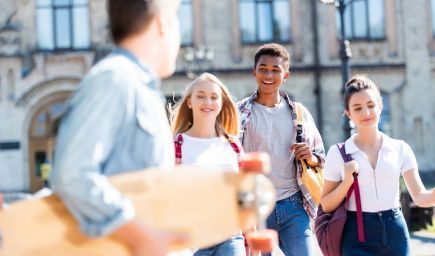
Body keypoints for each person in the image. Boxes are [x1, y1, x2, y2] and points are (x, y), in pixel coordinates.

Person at [50, 0, 183, 255]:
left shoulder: (136, 85)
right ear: (163, 23)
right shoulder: (114, 79)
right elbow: (72, 174)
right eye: (177, 17)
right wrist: (139, 235)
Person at [320, 75, 435, 255]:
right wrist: (346, 182)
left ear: (380, 106)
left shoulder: (400, 149)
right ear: (348, 113)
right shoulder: (338, 153)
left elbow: (420, 197)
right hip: (356, 235)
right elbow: (326, 205)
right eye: (357, 108)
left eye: (371, 105)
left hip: (395, 231)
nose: (366, 113)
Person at [238, 43, 325, 256]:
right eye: (263, 68)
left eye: (276, 70)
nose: (269, 74)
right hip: (255, 204)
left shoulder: (299, 113)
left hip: (293, 205)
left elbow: (321, 156)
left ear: (285, 74)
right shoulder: (239, 112)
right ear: (254, 72)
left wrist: (310, 157)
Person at [171, 72, 246, 256]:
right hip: (190, 239)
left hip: (229, 235)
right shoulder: (175, 145)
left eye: (214, 97)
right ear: (190, 102)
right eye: (201, 96)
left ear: (221, 104)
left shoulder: (233, 146)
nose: (208, 102)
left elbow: (245, 194)